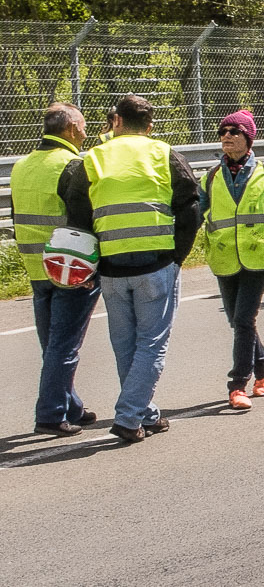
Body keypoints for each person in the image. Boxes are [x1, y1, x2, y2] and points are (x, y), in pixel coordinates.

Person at [59, 94, 203, 443]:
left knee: (124, 343)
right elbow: (191, 209)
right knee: (151, 344)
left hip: (111, 267)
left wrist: (88, 265)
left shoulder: (92, 159)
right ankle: (128, 417)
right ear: (150, 126)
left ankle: (144, 413)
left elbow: (77, 217)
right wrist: (177, 257)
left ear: (117, 121)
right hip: (156, 262)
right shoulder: (165, 154)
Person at [200, 111, 264, 411]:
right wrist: (173, 255)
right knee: (236, 320)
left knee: (244, 320)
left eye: (234, 131)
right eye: (223, 131)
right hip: (224, 257)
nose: (227, 136)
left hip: (259, 257)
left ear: (248, 138)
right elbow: (196, 216)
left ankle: (237, 385)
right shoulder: (211, 177)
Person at [17, 103, 101, 436]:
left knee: (52, 343)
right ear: (70, 129)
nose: (85, 132)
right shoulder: (72, 165)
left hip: (36, 267)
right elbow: (84, 219)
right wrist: (91, 267)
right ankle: (50, 415)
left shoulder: (22, 165)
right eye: (83, 127)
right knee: (64, 345)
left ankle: (71, 406)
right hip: (70, 269)